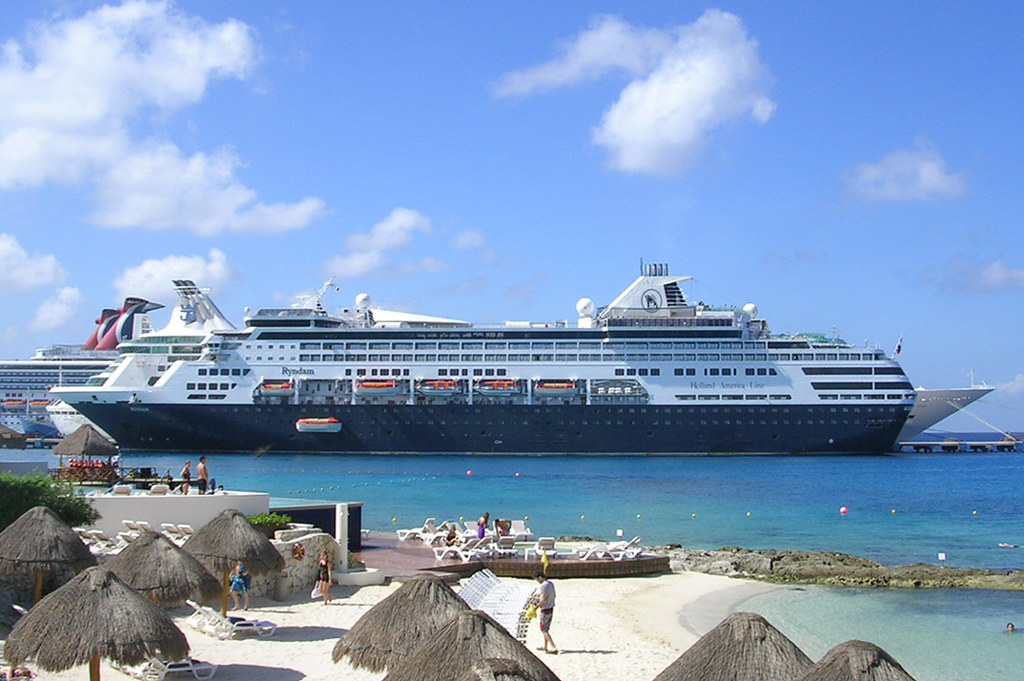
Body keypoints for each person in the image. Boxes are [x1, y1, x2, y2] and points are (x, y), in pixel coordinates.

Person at [534, 570, 558, 654]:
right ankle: (545, 646)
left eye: (537, 580)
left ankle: (554, 647)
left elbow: (543, 600)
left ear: (540, 577)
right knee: (546, 628)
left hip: (545, 609)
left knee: (544, 630)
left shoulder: (543, 586)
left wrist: (536, 607)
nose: (537, 582)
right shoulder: (551, 583)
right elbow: (553, 595)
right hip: (551, 608)